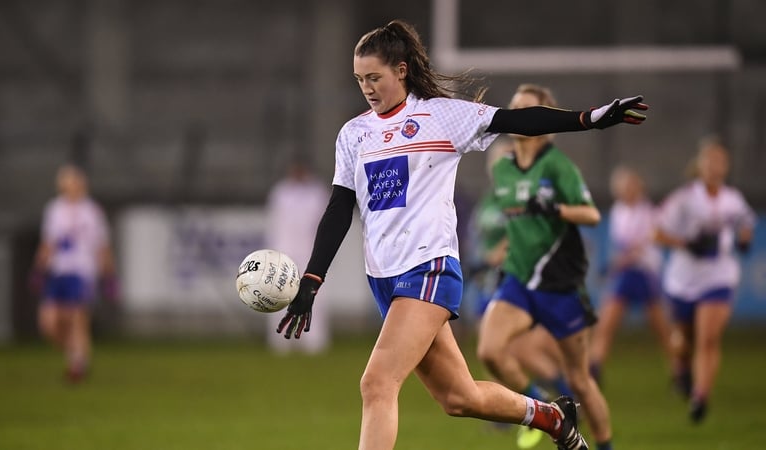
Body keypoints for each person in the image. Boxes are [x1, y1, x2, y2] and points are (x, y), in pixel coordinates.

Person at [275, 20, 647, 450]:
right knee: (458, 397)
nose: (367, 88)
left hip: (429, 267)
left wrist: (590, 118)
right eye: (360, 80)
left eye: (374, 77)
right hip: (384, 277)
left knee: (376, 384)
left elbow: (518, 120)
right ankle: (551, 416)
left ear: (401, 70)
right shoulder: (354, 134)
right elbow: (340, 208)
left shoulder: (441, 115)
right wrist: (312, 278)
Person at [475, 83, 614, 450]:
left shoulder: (557, 165)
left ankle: (605, 446)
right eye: (515, 107)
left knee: (580, 380)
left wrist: (555, 209)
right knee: (490, 351)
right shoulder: (503, 167)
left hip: (560, 286)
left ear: (545, 122)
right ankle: (545, 409)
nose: (519, 114)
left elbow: (592, 214)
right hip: (519, 280)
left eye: (528, 109)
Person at [654, 137, 756, 423]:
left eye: (720, 161)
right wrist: (685, 243)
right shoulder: (684, 199)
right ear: (700, 166)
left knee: (708, 339)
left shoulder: (732, 199)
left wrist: (745, 238)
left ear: (726, 166)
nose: (714, 166)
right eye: (709, 161)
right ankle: (682, 370)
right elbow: (656, 232)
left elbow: (745, 221)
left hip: (718, 276)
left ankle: (700, 397)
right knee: (682, 341)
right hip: (683, 279)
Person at [30, 163, 116, 382]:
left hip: (82, 271)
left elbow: (102, 246)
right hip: (58, 271)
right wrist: (39, 268)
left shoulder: (92, 211)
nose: (73, 187)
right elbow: (48, 243)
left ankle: (77, 363)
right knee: (49, 323)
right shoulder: (54, 209)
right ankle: (77, 355)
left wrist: (109, 275)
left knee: (76, 318)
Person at [589, 166, 671, 385]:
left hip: (644, 272)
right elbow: (623, 247)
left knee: (661, 328)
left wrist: (614, 265)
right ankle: (595, 368)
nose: (626, 190)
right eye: (623, 186)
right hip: (626, 274)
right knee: (606, 324)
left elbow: (638, 248)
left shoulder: (648, 212)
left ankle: (679, 371)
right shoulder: (618, 211)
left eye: (630, 185)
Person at [264, 158, 331, 354]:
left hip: (311, 252)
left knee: (313, 294)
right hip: (284, 250)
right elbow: (274, 222)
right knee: (278, 293)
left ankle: (314, 340)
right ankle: (280, 340)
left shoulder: (317, 193)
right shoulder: (280, 192)